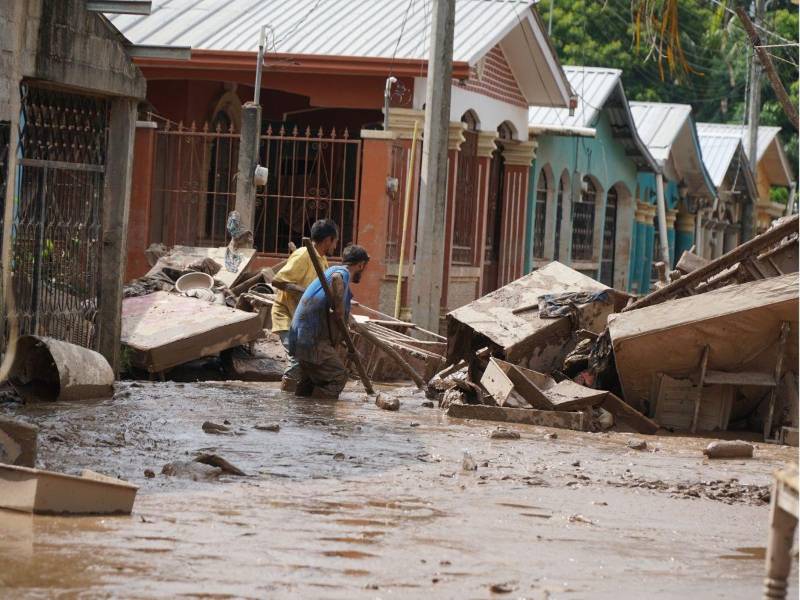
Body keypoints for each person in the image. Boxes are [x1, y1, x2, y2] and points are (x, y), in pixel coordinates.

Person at [287, 244, 370, 400]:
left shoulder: (328, 272)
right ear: (361, 265)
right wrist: (338, 307)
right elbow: (336, 279)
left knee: (309, 381)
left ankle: (299, 417)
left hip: (298, 337)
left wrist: (349, 348)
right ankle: (321, 419)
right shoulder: (343, 273)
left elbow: (338, 325)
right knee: (338, 376)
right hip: (312, 339)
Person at [271, 219, 339, 391]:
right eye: (335, 241)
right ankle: (284, 403)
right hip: (287, 316)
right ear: (328, 240)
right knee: (296, 359)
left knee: (309, 362)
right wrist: (308, 292)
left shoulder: (322, 260)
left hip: (304, 321)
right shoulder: (304, 255)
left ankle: (300, 404)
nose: (336, 246)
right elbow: (277, 280)